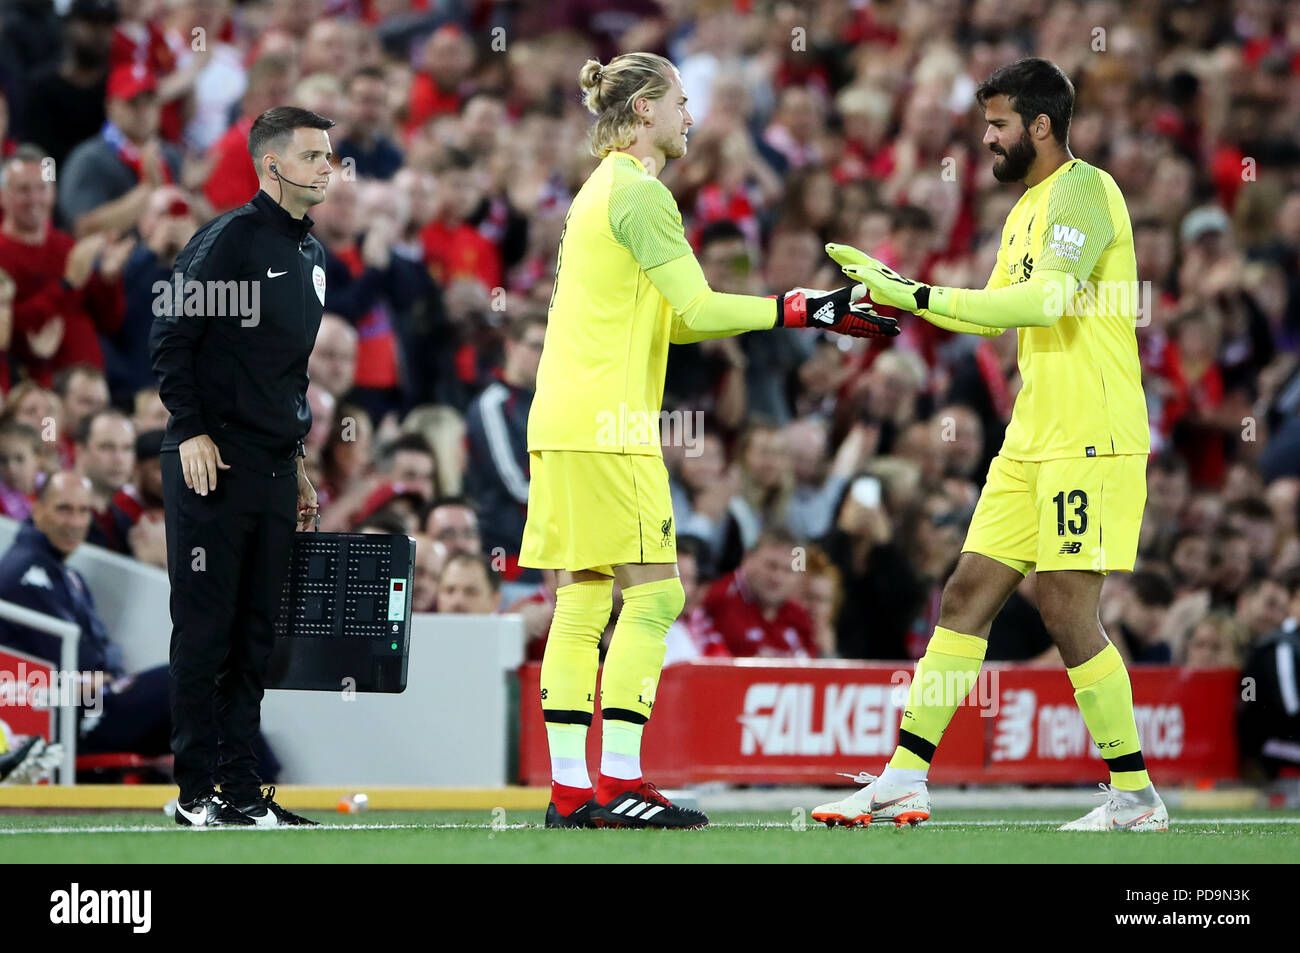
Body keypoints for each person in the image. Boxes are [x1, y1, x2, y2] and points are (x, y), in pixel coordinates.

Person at [520, 52, 897, 831]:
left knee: (586, 594)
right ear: (646, 110)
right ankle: (618, 777)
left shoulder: (601, 192)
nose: (691, 117)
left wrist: (800, 312)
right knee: (656, 594)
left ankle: (570, 791)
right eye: (682, 102)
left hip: (564, 418)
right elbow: (697, 302)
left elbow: (681, 318)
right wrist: (803, 308)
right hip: (607, 423)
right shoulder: (643, 192)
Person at [814, 58, 1168, 831]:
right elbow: (992, 314)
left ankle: (1135, 794)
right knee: (968, 591)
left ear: (1040, 125)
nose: (987, 138)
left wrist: (918, 293)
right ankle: (904, 777)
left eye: (999, 124)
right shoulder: (1024, 210)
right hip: (1030, 438)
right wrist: (903, 290)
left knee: (1069, 611)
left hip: (1090, 435)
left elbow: (1048, 301)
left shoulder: (1085, 189)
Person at [149, 105, 335, 828]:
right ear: (273, 165)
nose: (328, 168)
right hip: (211, 460)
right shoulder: (227, 239)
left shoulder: (313, 256)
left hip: (269, 463)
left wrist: (297, 462)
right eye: (314, 156)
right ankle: (196, 791)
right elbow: (169, 334)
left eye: (330, 156)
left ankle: (242, 793)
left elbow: (286, 376)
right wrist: (190, 430)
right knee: (205, 629)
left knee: (256, 632)